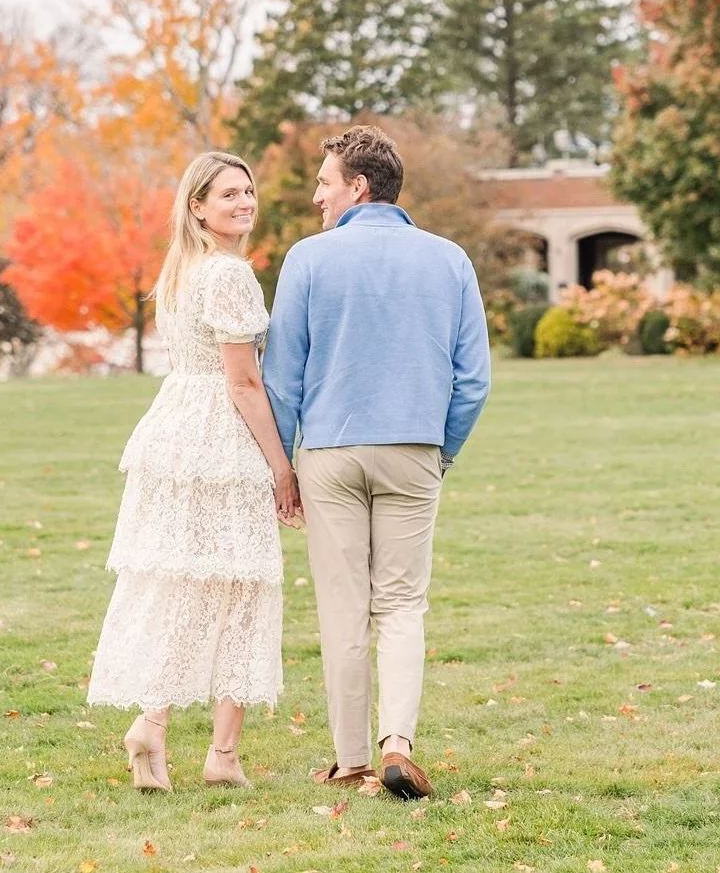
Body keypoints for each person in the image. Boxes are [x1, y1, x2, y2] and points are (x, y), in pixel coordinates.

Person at [263, 125, 490, 799]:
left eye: (324, 182)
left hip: (330, 450)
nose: (316, 197)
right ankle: (398, 741)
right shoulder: (449, 260)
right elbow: (472, 379)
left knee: (344, 606)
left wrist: (283, 465)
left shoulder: (308, 259)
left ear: (358, 186)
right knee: (401, 603)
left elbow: (282, 378)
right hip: (414, 450)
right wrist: (441, 445)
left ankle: (352, 758)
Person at [87, 152, 302, 791]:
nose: (244, 202)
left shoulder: (182, 272)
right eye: (228, 194)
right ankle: (222, 755)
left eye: (248, 191)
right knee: (242, 583)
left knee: (190, 582)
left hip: (175, 428)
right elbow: (242, 381)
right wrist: (280, 465)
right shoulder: (230, 276)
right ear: (198, 206)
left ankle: (152, 724)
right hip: (221, 438)